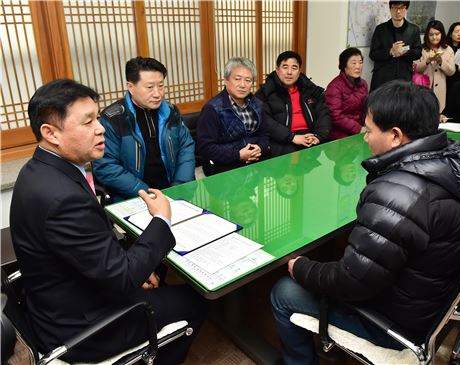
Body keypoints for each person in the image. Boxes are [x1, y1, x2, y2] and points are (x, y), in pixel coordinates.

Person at [271, 80, 460, 365]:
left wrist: (300, 266)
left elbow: (352, 282)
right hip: (432, 298)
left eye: (369, 129)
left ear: (395, 136)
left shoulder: (397, 193)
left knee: (284, 291)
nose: (364, 136)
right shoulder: (458, 162)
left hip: (396, 322)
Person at [10, 79, 206, 364]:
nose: (101, 128)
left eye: (98, 117)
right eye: (88, 122)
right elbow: (122, 277)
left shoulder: (39, 170)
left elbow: (90, 250)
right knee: (195, 301)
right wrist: (162, 219)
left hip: (58, 301)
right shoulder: (62, 197)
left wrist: (134, 262)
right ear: (51, 133)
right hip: (83, 327)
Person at [93, 56, 195, 202]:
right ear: (130, 86)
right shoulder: (112, 119)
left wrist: (180, 186)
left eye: (161, 86)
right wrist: (145, 193)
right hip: (133, 196)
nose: (157, 93)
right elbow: (106, 165)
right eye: (149, 87)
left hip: (173, 190)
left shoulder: (171, 111)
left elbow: (187, 147)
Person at [196, 57, 269, 176]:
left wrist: (260, 148)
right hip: (225, 166)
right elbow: (205, 148)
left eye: (248, 80)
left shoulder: (258, 104)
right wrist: (238, 155)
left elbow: (265, 135)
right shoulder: (212, 109)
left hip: (255, 162)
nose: (242, 85)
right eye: (237, 79)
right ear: (226, 80)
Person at [255, 51, 331, 157]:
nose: (289, 72)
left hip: (310, 137)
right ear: (277, 70)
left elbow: (324, 112)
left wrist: (319, 136)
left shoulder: (310, 90)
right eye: (285, 67)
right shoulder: (265, 92)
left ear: (299, 71)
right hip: (282, 142)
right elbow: (265, 121)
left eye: (294, 68)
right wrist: (292, 137)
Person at [368, 1, 422, 91]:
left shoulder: (413, 30)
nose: (398, 11)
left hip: (404, 78)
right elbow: (373, 54)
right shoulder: (380, 29)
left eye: (401, 8)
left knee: (402, 104)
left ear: (406, 9)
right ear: (390, 9)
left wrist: (404, 52)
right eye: (395, 8)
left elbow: (418, 52)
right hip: (383, 78)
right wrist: (391, 51)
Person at [325, 47, 369, 140]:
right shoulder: (335, 87)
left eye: (360, 62)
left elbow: (366, 108)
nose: (358, 66)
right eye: (354, 63)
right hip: (339, 135)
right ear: (344, 66)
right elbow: (335, 116)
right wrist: (359, 129)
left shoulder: (363, 84)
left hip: (361, 131)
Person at [414, 20, 455, 112]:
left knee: (436, 113)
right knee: (421, 112)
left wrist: (441, 62)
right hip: (423, 87)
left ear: (442, 34)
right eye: (431, 34)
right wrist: (427, 61)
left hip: (440, 89)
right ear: (427, 35)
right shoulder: (421, 48)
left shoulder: (448, 49)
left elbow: (451, 71)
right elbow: (415, 68)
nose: (434, 37)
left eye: (437, 34)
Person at [446, 22, 460, 104]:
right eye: (456, 32)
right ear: (450, 34)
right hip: (447, 80)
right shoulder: (446, 48)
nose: (459, 34)